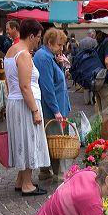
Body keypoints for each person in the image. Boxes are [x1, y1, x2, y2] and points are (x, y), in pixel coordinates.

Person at [4, 19, 50, 195]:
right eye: (38, 37)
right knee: (29, 140)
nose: (38, 40)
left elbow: (11, 83)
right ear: (31, 36)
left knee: (22, 140)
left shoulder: (11, 51)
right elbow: (25, 86)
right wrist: (35, 111)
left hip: (16, 102)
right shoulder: (23, 54)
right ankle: (27, 185)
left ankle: (20, 180)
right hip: (25, 104)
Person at [33, 28, 71, 182]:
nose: (61, 48)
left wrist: (61, 65)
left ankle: (46, 170)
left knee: (50, 139)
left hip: (56, 105)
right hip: (52, 108)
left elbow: (56, 79)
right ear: (49, 43)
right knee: (56, 141)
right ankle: (60, 174)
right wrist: (56, 110)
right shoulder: (44, 57)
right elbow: (47, 87)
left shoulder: (49, 56)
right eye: (59, 45)